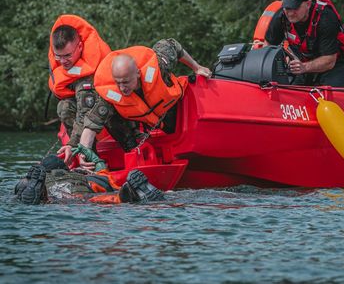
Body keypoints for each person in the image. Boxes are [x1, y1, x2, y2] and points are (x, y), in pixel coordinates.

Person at [70, 38, 211, 155]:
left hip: (176, 112)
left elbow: (172, 45)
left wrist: (197, 67)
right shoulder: (111, 94)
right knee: (110, 117)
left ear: (138, 73)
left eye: (126, 82)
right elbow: (92, 123)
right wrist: (84, 150)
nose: (122, 88)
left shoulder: (158, 66)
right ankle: (133, 150)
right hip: (148, 123)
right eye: (117, 82)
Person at [48, 15, 139, 171]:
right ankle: (90, 161)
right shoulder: (64, 65)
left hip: (111, 107)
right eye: (59, 56)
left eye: (68, 55)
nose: (63, 62)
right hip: (85, 114)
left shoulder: (90, 65)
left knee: (97, 103)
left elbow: (85, 112)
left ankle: (132, 149)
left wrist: (73, 144)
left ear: (80, 47)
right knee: (63, 107)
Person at [264, 0, 344, 87]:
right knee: (292, 93)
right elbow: (267, 46)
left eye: (295, 7)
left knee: (327, 95)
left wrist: (304, 67)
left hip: (333, 61)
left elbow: (329, 61)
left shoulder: (326, 18)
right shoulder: (281, 16)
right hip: (303, 59)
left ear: (308, 4)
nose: (290, 13)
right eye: (287, 8)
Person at [14, 155, 164, 205]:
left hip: (53, 194)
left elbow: (18, 188)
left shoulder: (42, 177)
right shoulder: (81, 176)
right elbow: (105, 180)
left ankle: (40, 196)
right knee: (94, 199)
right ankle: (124, 197)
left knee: (49, 200)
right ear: (67, 169)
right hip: (81, 194)